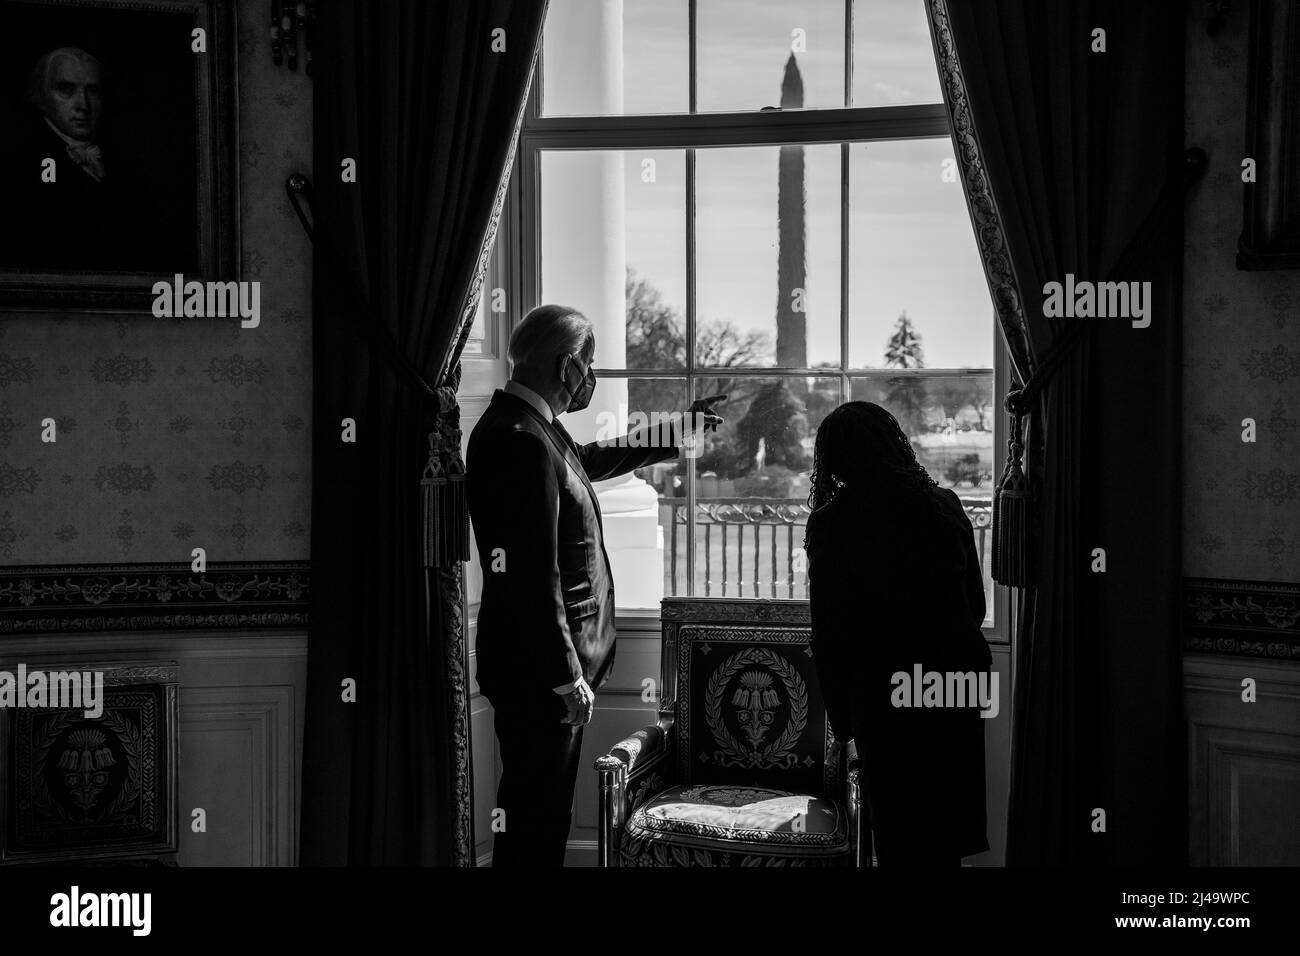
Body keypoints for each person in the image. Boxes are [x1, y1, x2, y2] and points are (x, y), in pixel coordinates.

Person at [467, 304, 723, 866]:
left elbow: (588, 460)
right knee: (536, 817)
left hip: (539, 672)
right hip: (541, 676)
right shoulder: (519, 438)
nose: (593, 377)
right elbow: (533, 575)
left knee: (540, 811)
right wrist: (564, 676)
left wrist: (681, 431)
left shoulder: (532, 426)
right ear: (565, 368)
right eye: (590, 364)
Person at [804, 401, 991, 867]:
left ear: (835, 459)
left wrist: (843, 721)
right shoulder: (943, 505)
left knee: (900, 838)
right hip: (954, 683)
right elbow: (975, 603)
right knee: (947, 835)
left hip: (884, 695)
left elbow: (829, 631)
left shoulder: (831, 523)